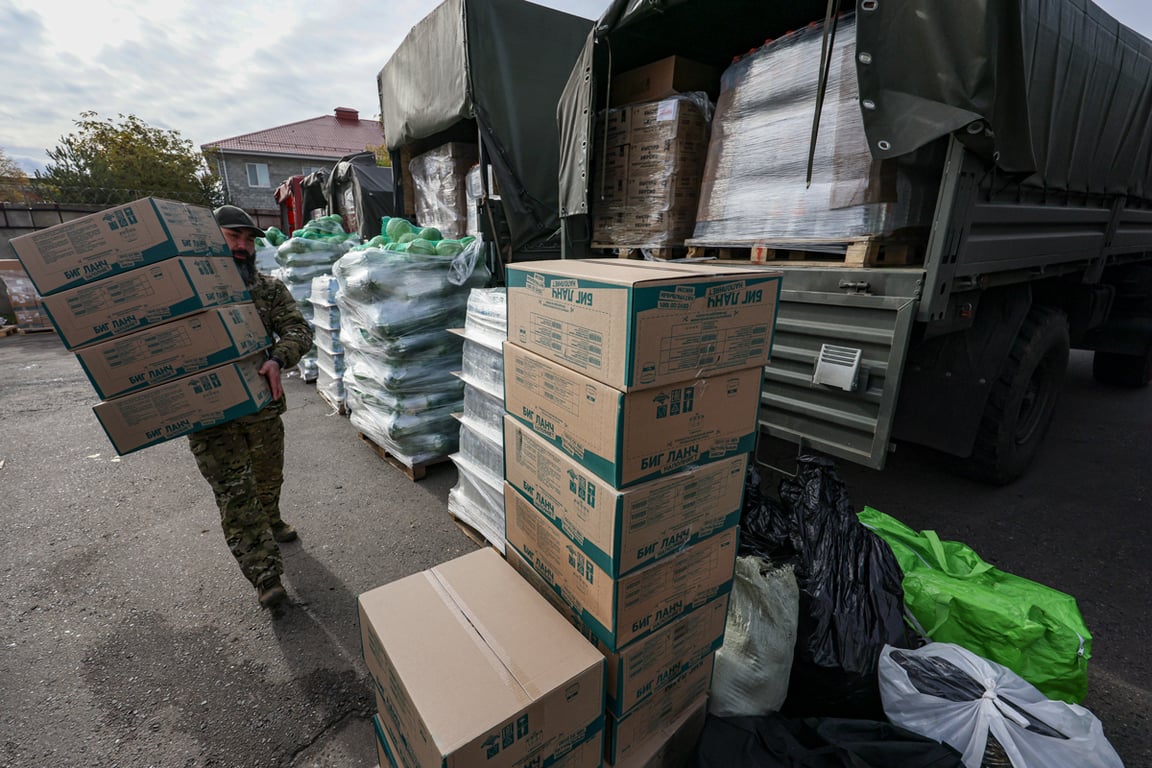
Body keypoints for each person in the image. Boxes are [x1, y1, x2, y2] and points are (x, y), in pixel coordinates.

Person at [187, 205, 314, 610]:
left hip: (262, 409)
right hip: (211, 418)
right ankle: (266, 577)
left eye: (247, 240)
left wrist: (279, 358)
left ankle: (272, 519)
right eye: (233, 238)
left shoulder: (268, 288)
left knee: (266, 479)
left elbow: (298, 329)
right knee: (236, 496)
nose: (242, 246)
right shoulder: (184, 291)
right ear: (212, 239)